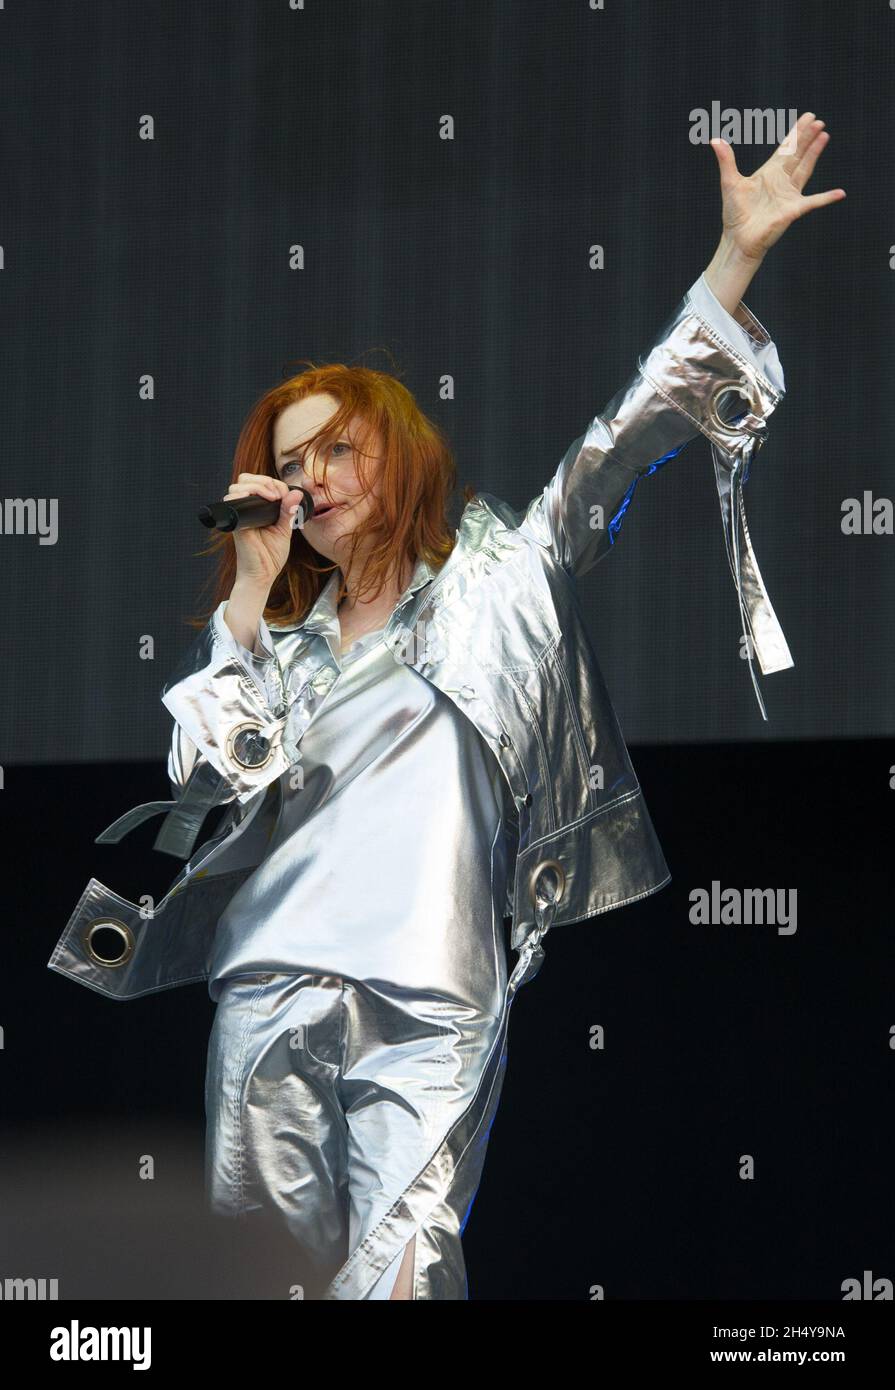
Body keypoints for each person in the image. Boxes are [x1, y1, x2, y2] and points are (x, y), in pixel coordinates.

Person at [47, 112, 843, 1299]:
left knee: (408, 1269)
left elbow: (619, 446)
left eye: (337, 451)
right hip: (267, 986)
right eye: (291, 458)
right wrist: (248, 606)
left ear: (400, 456)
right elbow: (202, 780)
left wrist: (733, 264)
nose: (308, 478)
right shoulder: (282, 644)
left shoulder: (497, 587)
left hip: (429, 989)